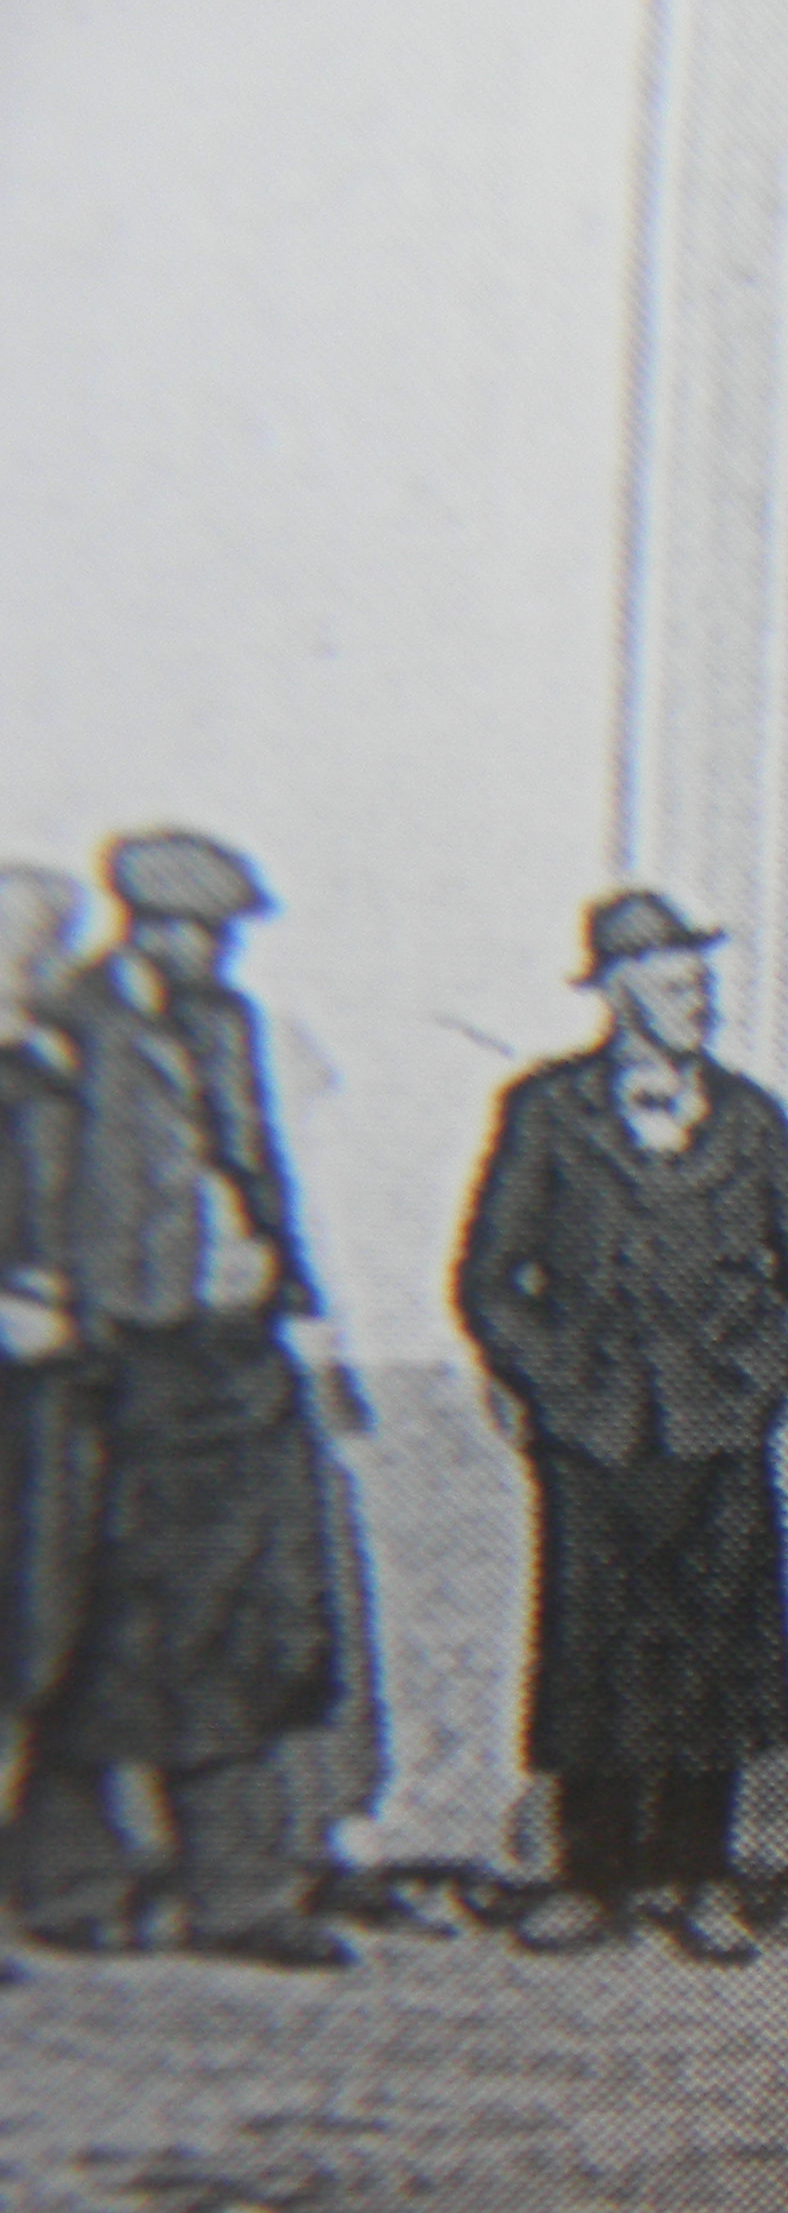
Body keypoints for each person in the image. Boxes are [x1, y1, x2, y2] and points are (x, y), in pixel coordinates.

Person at [455, 889, 788, 1962]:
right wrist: (558, 1381)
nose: (695, 1006)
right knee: (592, 1648)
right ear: (617, 994)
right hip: (598, 1428)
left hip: (715, 1428)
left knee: (716, 1649)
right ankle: (591, 1876)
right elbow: (491, 1280)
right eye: (673, 987)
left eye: (702, 986)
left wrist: (757, 1379)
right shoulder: (547, 1111)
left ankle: (700, 1876)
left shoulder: (751, 1119)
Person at [18, 831, 358, 1968]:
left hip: (232, 1356)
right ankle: (70, 1885)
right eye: (191, 929)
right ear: (139, 923)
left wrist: (300, 1307)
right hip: (118, 1366)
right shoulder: (68, 1021)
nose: (211, 950)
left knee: (241, 1625)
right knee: (98, 1624)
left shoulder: (230, 1024)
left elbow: (260, 1170)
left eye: (223, 931)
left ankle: (241, 1895)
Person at [0, 871, 97, 1885]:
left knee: (33, 1629)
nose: (23, 958)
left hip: (50, 1390)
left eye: (39, 940)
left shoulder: (60, 1066)